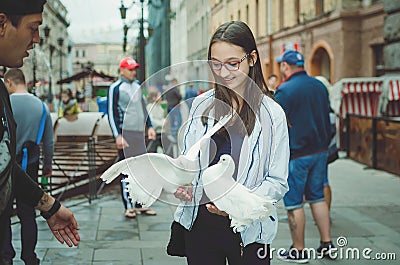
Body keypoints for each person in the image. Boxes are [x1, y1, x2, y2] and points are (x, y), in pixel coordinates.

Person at [173, 21, 289, 265]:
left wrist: (236, 206)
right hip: (201, 223)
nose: (223, 73)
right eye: (215, 64)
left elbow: (277, 182)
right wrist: (183, 184)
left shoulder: (272, 114)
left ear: (252, 58)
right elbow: (188, 161)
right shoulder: (201, 105)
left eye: (232, 64)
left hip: (249, 229)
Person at [0, 1, 80, 264]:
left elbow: (4, 164)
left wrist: (51, 207)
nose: (36, 39)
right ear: (2, 24)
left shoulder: (3, 91)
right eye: (33, 28)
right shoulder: (33, 103)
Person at [274, 50, 335, 263]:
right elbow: (329, 116)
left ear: (285, 66)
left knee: (294, 203)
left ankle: (298, 250)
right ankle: (327, 244)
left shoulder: (284, 90)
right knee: (317, 197)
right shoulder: (319, 86)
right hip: (320, 151)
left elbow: (275, 125)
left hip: (296, 154)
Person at [1, 69, 54, 265]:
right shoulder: (41, 107)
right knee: (28, 214)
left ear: (9, 82)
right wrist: (47, 165)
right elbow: (48, 142)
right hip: (30, 166)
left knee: (4, 213)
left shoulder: (6, 104)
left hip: (5, 168)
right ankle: (29, 257)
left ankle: (6, 255)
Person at [107, 57, 157, 218]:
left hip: (139, 134)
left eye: (134, 69)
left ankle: (141, 204)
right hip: (125, 134)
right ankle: (129, 206)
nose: (133, 72)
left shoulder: (137, 85)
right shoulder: (115, 88)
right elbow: (111, 113)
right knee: (127, 170)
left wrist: (150, 126)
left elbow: (143, 107)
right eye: (130, 69)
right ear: (122, 70)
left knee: (142, 169)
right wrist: (117, 136)